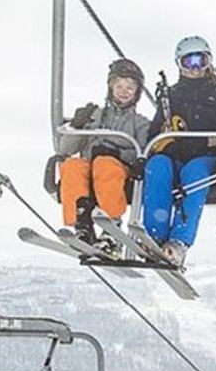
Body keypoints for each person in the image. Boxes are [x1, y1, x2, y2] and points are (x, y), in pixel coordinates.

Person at [141, 36, 216, 268]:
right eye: (188, 62)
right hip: (177, 156)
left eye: (200, 61)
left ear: (209, 63)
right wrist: (165, 145)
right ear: (179, 64)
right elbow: (155, 133)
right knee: (157, 166)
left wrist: (212, 145)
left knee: (195, 172)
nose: (194, 68)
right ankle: (155, 234)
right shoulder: (170, 98)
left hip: (205, 158)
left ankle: (179, 241)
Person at [54, 58, 151, 248]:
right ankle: (82, 224)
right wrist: (77, 125)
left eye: (130, 88)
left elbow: (142, 153)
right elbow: (66, 149)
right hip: (88, 167)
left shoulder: (140, 124)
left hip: (116, 170)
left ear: (137, 93)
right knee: (72, 166)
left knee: (105, 164)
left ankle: (111, 226)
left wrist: (117, 155)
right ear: (111, 87)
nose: (124, 91)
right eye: (119, 86)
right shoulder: (95, 116)